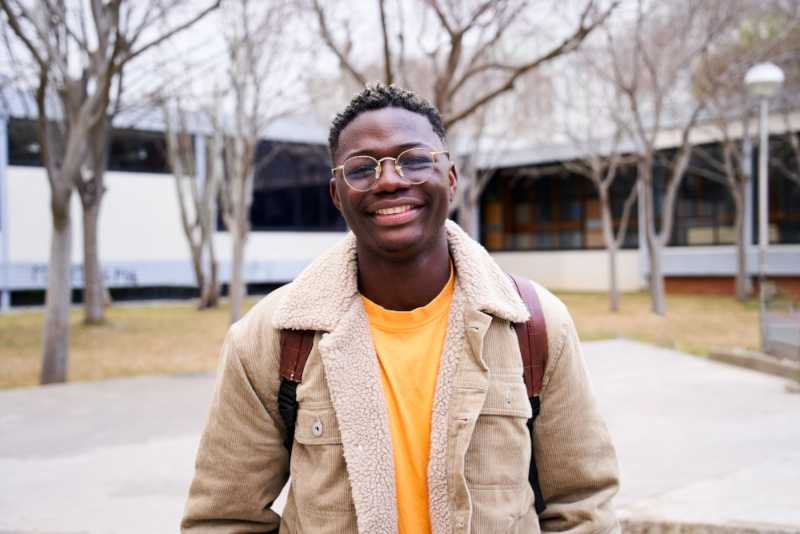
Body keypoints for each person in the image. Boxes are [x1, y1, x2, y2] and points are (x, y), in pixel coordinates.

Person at [181, 84, 620, 534]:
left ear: (450, 177)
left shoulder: (535, 325)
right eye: (361, 168)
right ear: (337, 194)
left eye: (413, 160)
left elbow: (583, 503)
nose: (389, 179)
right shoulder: (270, 338)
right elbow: (222, 519)